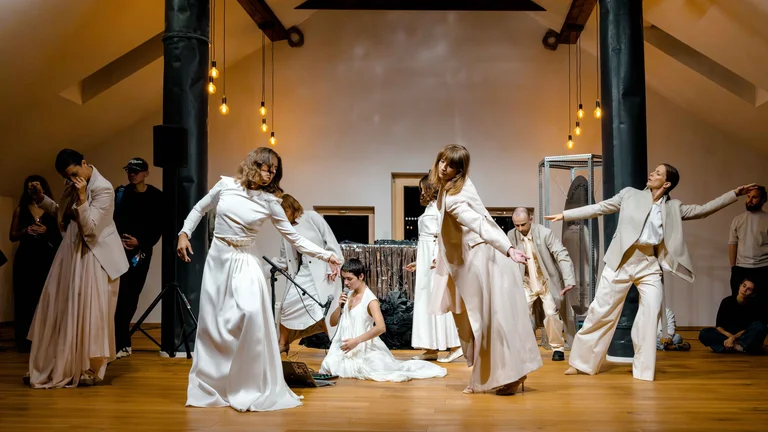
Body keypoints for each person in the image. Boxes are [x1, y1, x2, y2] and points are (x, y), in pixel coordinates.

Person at [546, 163, 756, 381]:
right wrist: (565, 215)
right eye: (653, 171)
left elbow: (703, 210)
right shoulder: (630, 194)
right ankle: (581, 363)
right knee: (600, 312)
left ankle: (643, 371)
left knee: (650, 316)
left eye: (658, 173)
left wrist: (734, 194)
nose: (652, 174)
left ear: (666, 183)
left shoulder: (673, 207)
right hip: (621, 262)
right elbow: (600, 207)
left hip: (648, 265)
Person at [176, 147, 342, 412]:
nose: (270, 174)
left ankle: (249, 385)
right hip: (219, 259)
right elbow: (199, 208)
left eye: (274, 170)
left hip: (246, 260)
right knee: (215, 324)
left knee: (252, 314)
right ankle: (216, 384)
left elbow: (295, 238)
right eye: (267, 167)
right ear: (254, 164)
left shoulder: (270, 202)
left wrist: (327, 255)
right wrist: (184, 233)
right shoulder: (226, 186)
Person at [429, 144, 542, 396]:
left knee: (485, 322)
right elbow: (450, 233)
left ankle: (506, 375)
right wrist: (440, 258)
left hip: (481, 261)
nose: (444, 167)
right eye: (442, 161)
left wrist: (508, 248)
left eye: (451, 165)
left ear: (459, 170)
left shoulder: (455, 197)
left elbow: (479, 224)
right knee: (478, 321)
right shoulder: (450, 188)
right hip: (471, 259)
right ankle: (495, 374)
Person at [26, 149, 129, 388]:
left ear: (84, 163)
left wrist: (82, 198)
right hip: (72, 252)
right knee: (61, 307)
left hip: (95, 255)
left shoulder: (103, 188)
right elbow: (62, 213)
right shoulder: (73, 184)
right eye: (68, 177)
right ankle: (61, 363)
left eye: (74, 173)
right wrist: (42, 198)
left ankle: (88, 367)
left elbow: (90, 230)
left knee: (92, 312)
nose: (72, 180)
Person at [319, 259, 447, 381]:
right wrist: (339, 306)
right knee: (328, 365)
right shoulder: (348, 295)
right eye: (344, 279)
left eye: (349, 279)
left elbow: (381, 327)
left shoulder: (370, 300)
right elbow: (332, 323)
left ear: (361, 276)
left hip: (363, 347)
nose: (346, 283)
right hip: (344, 347)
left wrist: (356, 341)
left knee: (371, 370)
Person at [273, 194, 343, 355]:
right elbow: (285, 260)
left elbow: (331, 241)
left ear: (290, 207)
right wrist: (262, 271)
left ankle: (335, 344)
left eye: (283, 212)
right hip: (303, 273)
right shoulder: (285, 228)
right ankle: (283, 343)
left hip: (323, 272)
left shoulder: (311, 217)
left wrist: (333, 266)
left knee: (323, 312)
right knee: (287, 307)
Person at [405, 175, 462, 363]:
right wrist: (419, 262)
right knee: (426, 302)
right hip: (426, 259)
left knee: (438, 299)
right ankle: (430, 348)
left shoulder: (439, 208)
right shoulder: (430, 208)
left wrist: (436, 257)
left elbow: (442, 235)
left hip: (434, 259)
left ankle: (455, 345)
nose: (421, 192)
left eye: (423, 188)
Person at [508, 207, 576, 361]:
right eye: (517, 225)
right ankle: (527, 349)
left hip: (546, 281)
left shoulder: (545, 233)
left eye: (523, 224)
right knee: (521, 314)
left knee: (551, 314)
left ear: (531, 220)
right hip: (525, 282)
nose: (520, 228)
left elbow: (561, 254)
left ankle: (557, 348)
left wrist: (569, 279)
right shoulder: (511, 235)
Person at [113, 157, 163, 359]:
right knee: (117, 296)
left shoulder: (156, 196)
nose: (132, 174)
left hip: (141, 253)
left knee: (131, 295)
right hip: (118, 250)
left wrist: (140, 242)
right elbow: (113, 220)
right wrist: (118, 240)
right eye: (129, 170)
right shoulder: (121, 194)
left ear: (146, 173)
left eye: (136, 171)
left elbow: (158, 226)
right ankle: (119, 342)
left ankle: (122, 341)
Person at [9, 175, 62, 353]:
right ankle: (24, 340)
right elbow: (12, 236)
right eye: (29, 187)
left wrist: (46, 231)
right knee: (24, 298)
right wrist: (26, 230)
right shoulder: (20, 209)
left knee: (45, 297)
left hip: (46, 258)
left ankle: (45, 339)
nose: (32, 190)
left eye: (36, 186)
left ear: (43, 188)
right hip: (25, 258)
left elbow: (60, 236)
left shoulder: (52, 210)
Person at [699, 278, 767, 354]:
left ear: (753, 294)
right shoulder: (726, 301)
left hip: (744, 336)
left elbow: (749, 330)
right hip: (726, 336)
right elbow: (719, 327)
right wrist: (730, 337)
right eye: (744, 286)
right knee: (704, 333)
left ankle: (729, 347)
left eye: (749, 289)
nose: (744, 290)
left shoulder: (755, 306)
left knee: (760, 326)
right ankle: (740, 347)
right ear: (740, 286)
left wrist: (733, 338)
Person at [728, 186, 767, 314]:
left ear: (763, 200)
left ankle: (757, 327)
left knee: (762, 305)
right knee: (738, 305)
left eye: (755, 197)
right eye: (748, 196)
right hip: (741, 268)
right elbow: (732, 244)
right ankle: (737, 327)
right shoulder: (738, 220)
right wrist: (733, 267)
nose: (750, 200)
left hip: (763, 268)